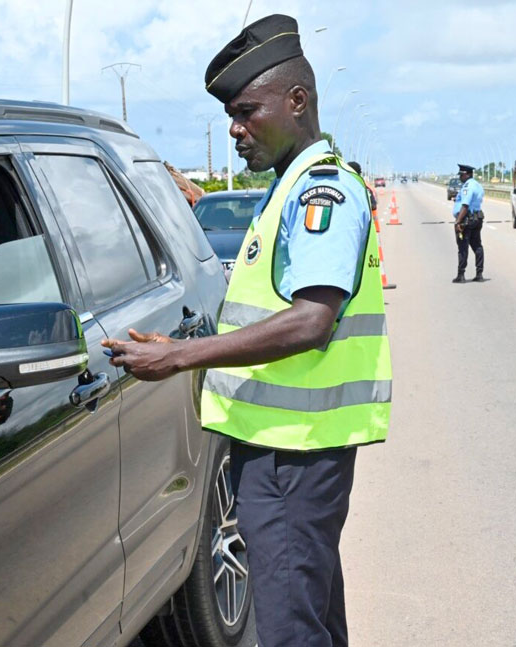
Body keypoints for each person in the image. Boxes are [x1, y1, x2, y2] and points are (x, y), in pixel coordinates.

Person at [102, 14, 391, 647]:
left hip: (295, 452)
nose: (234, 129)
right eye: (231, 115)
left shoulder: (321, 193)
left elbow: (312, 320)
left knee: (289, 629)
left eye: (245, 111)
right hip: (286, 447)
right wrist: (185, 344)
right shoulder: (288, 189)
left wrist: (184, 356)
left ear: (297, 101)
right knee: (310, 618)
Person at [453, 163, 485, 283]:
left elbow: (465, 205)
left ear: (467, 174)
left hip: (467, 220)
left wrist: (458, 222)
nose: (460, 177)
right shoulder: (477, 185)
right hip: (477, 218)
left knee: (463, 247)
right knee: (477, 246)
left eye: (461, 175)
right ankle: (479, 274)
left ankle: (461, 275)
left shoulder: (468, 186)